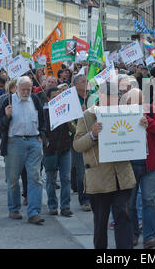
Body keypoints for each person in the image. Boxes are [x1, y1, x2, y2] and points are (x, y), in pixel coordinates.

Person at [73, 82, 136, 249]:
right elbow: (77, 145)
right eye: (109, 99)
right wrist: (92, 135)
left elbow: (134, 138)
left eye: (115, 99)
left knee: (123, 217)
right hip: (99, 179)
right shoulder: (87, 116)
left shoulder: (126, 112)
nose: (112, 103)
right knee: (101, 222)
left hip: (122, 176)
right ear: (100, 97)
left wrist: (140, 126)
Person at [0, 76, 46, 225]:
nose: (26, 92)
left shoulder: (35, 100)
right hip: (14, 142)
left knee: (35, 177)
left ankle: (34, 212)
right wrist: (6, 116)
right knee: (13, 178)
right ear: (16, 88)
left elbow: (42, 120)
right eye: (23, 89)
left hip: (34, 141)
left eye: (28, 89)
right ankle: (14, 208)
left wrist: (41, 136)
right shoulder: (7, 101)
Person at [122, 88, 155, 249]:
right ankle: (133, 234)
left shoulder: (151, 110)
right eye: (133, 102)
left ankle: (149, 237)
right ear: (126, 102)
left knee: (149, 201)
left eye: (140, 101)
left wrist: (148, 122)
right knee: (130, 203)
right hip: (129, 165)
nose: (137, 104)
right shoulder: (119, 113)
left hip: (150, 164)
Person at [43, 87, 75, 217]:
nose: (57, 99)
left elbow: (74, 129)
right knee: (51, 179)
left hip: (65, 148)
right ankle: (52, 205)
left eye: (59, 96)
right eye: (54, 96)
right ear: (49, 99)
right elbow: (42, 130)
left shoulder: (66, 110)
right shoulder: (44, 113)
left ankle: (65, 206)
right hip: (50, 150)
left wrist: (68, 121)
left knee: (66, 178)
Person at [71, 74, 91, 212]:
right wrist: (81, 114)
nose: (86, 83)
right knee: (81, 171)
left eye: (87, 81)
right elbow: (69, 121)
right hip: (79, 138)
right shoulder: (71, 99)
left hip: (94, 136)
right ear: (76, 85)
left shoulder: (94, 96)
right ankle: (84, 199)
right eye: (83, 81)